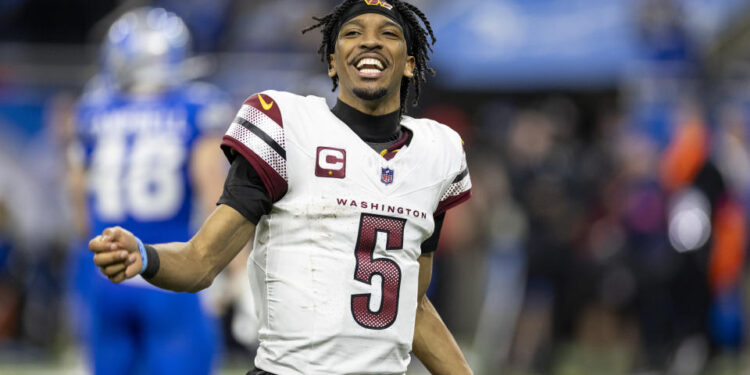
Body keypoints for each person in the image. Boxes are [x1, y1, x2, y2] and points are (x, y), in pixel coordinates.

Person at [89, 1, 473, 374]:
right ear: (332, 61)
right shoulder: (286, 127)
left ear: (409, 62)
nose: (369, 41)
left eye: (388, 33)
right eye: (352, 33)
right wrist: (145, 255)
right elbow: (199, 261)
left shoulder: (435, 153)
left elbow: (414, 304)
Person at [70, 7, 230, 375]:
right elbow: (214, 192)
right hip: (169, 271)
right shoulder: (194, 107)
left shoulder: (93, 110)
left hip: (106, 275)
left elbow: (80, 205)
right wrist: (231, 270)